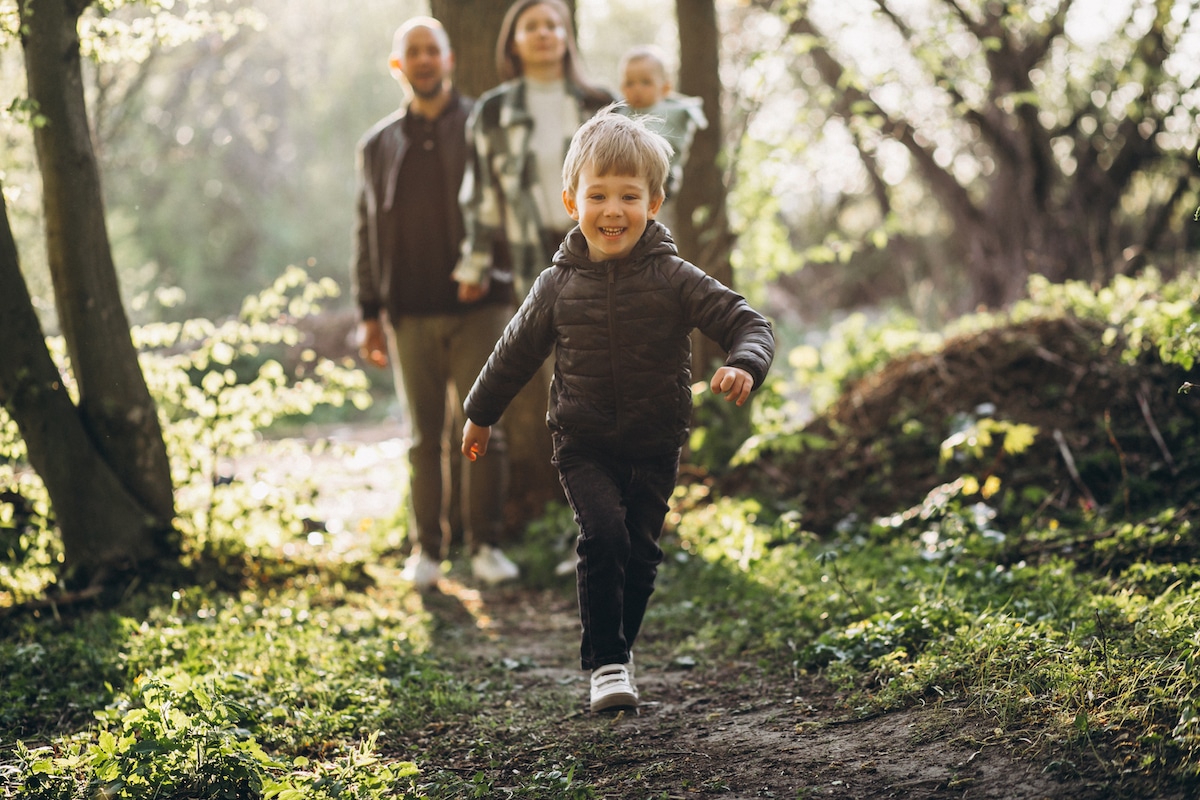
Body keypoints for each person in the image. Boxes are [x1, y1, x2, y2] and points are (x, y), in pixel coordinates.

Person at [460, 108, 775, 712]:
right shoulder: (556, 285)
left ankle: (620, 646)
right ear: (570, 201)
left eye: (629, 196)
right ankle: (606, 662)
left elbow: (748, 322)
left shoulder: (674, 277)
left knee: (641, 551)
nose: (612, 210)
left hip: (656, 441)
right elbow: (513, 354)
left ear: (653, 202)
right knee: (603, 536)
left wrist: (744, 363)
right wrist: (480, 412)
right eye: (597, 194)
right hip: (583, 442)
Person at [351, 16, 519, 589]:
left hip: (482, 307)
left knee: (482, 428)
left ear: (448, 60)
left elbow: (509, 210)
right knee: (424, 438)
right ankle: (427, 550)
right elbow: (365, 233)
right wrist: (369, 313)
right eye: (412, 52)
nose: (424, 60)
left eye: (433, 50)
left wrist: (486, 268)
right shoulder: (377, 145)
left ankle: (486, 548)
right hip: (409, 313)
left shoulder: (484, 125)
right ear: (399, 66)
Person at [454, 0, 615, 302]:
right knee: (546, 346)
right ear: (513, 44)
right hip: (532, 260)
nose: (543, 33)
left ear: (566, 37)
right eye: (530, 27)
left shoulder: (600, 103)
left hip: (604, 252)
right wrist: (475, 267)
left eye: (552, 26)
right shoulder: (492, 112)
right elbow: (481, 196)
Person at [615, 45, 708, 232]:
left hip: (661, 185)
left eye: (645, 82)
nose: (637, 89)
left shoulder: (673, 111)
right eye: (629, 83)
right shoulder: (619, 113)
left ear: (665, 88)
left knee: (655, 230)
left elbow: (692, 121)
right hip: (624, 184)